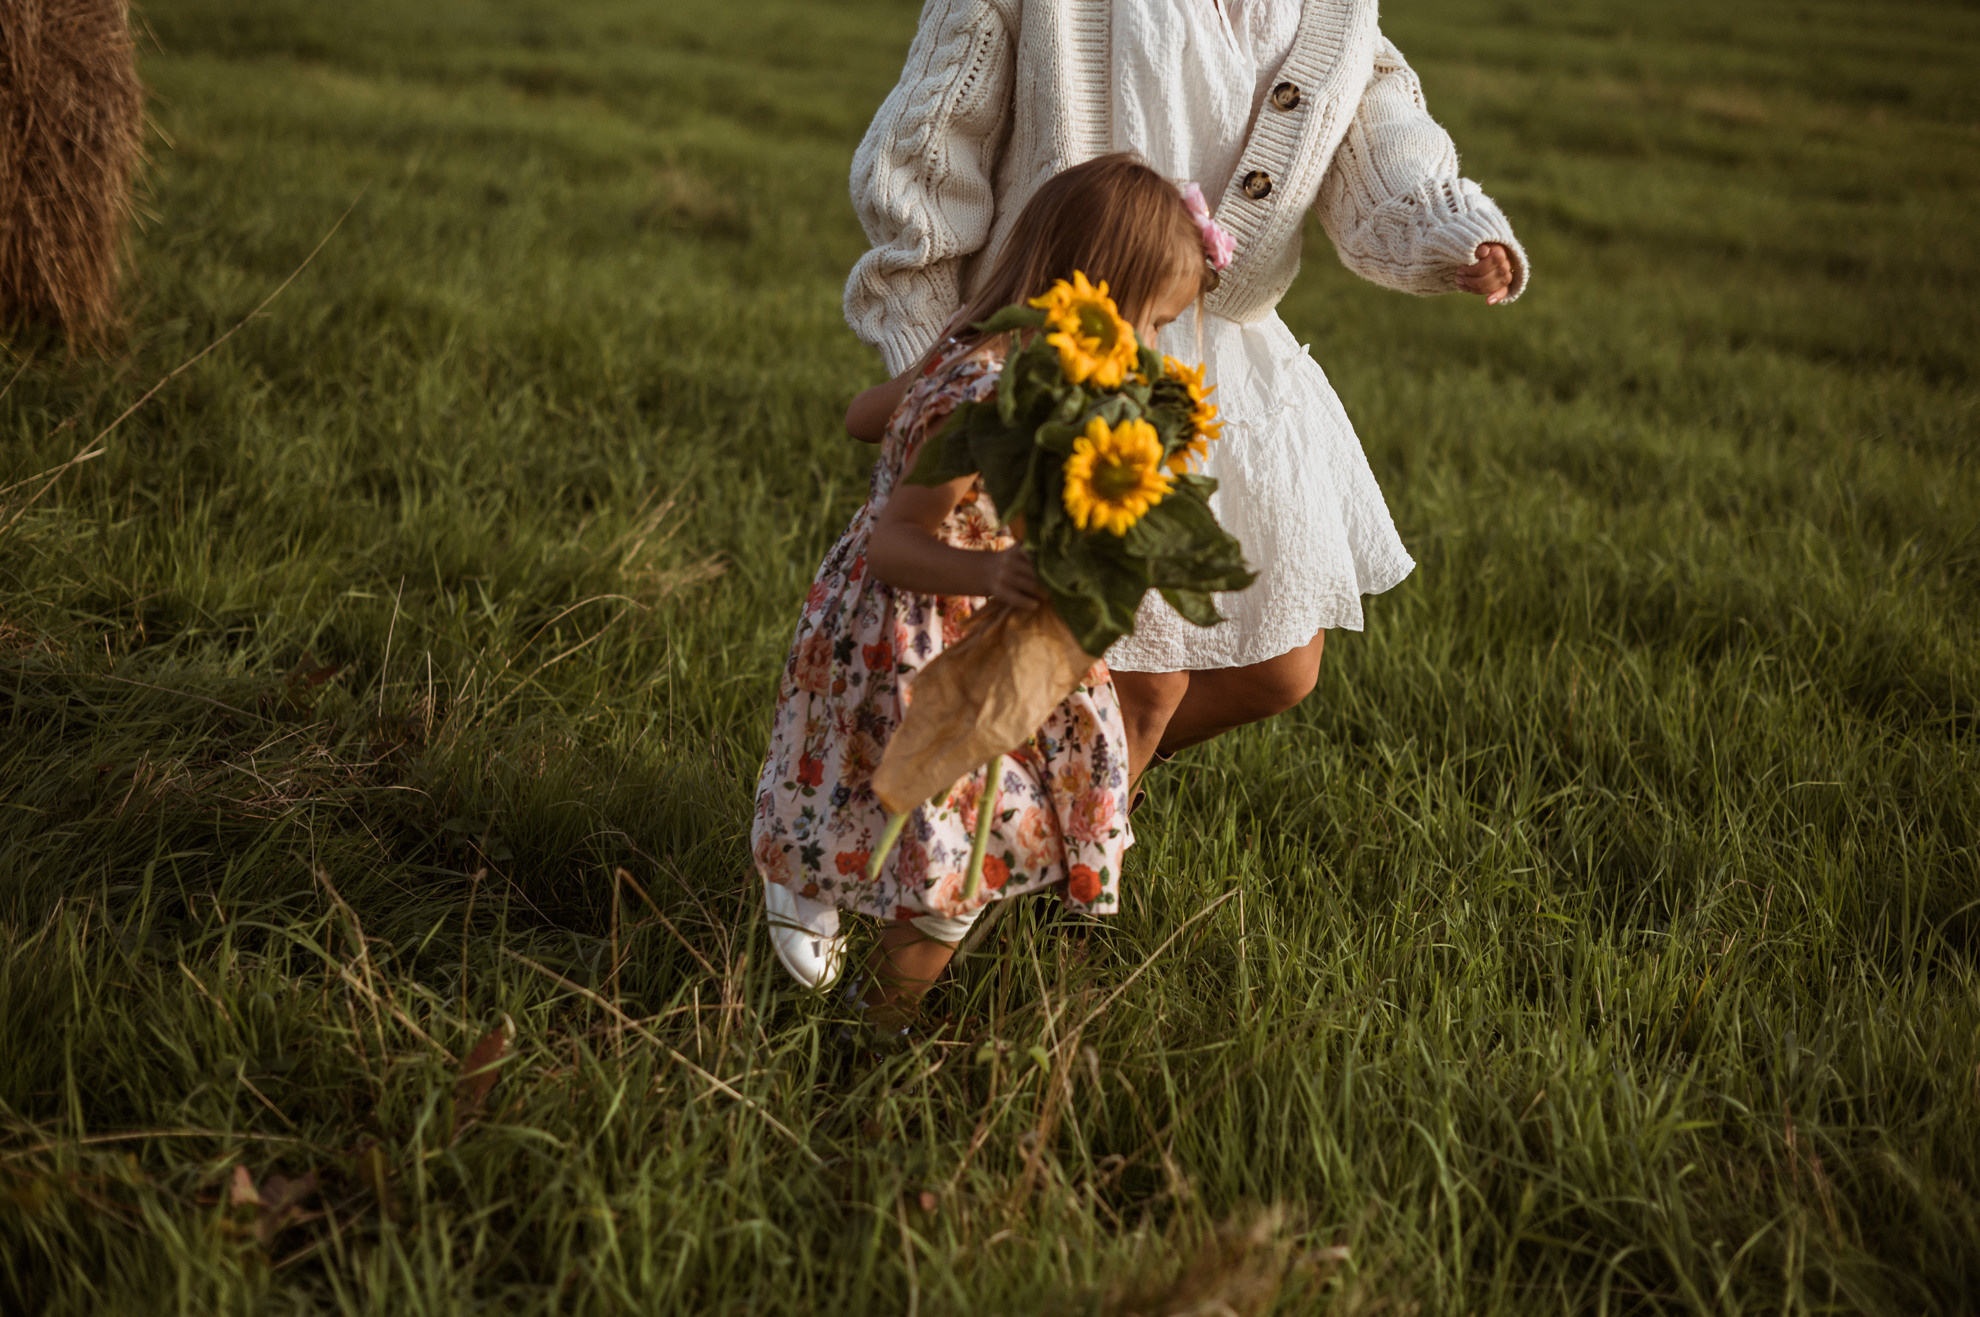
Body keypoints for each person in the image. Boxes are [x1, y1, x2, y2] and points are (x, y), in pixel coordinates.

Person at [844, 0, 1528, 776]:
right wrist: (948, 372)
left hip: (1225, 364)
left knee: (1278, 669)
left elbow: (1373, 109)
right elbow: (927, 157)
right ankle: (1059, 833)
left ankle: (1045, 797)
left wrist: (1444, 222)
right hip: (1062, 356)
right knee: (1139, 681)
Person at [752, 156, 1222, 1019]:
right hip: (907, 632)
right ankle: (818, 907)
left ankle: (868, 1006)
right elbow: (896, 542)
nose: (1151, 350)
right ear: (1096, 305)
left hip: (992, 638)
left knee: (983, 831)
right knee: (912, 814)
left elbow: (864, 416)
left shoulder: (995, 363)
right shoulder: (987, 391)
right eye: (1150, 322)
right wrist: (988, 566)